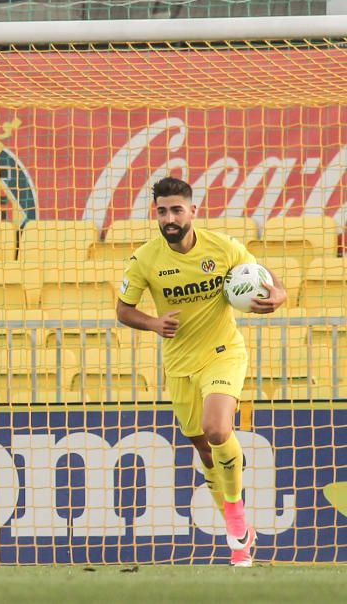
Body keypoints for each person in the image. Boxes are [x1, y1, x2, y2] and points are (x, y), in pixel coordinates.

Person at [116, 177, 286, 567]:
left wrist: (280, 294)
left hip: (223, 352)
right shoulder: (146, 259)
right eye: (162, 211)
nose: (170, 218)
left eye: (177, 210)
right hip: (179, 364)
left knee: (217, 429)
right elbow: (123, 310)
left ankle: (237, 519)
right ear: (154, 214)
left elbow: (264, 274)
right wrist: (154, 323)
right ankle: (237, 530)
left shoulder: (223, 247)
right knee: (205, 451)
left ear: (193, 211)